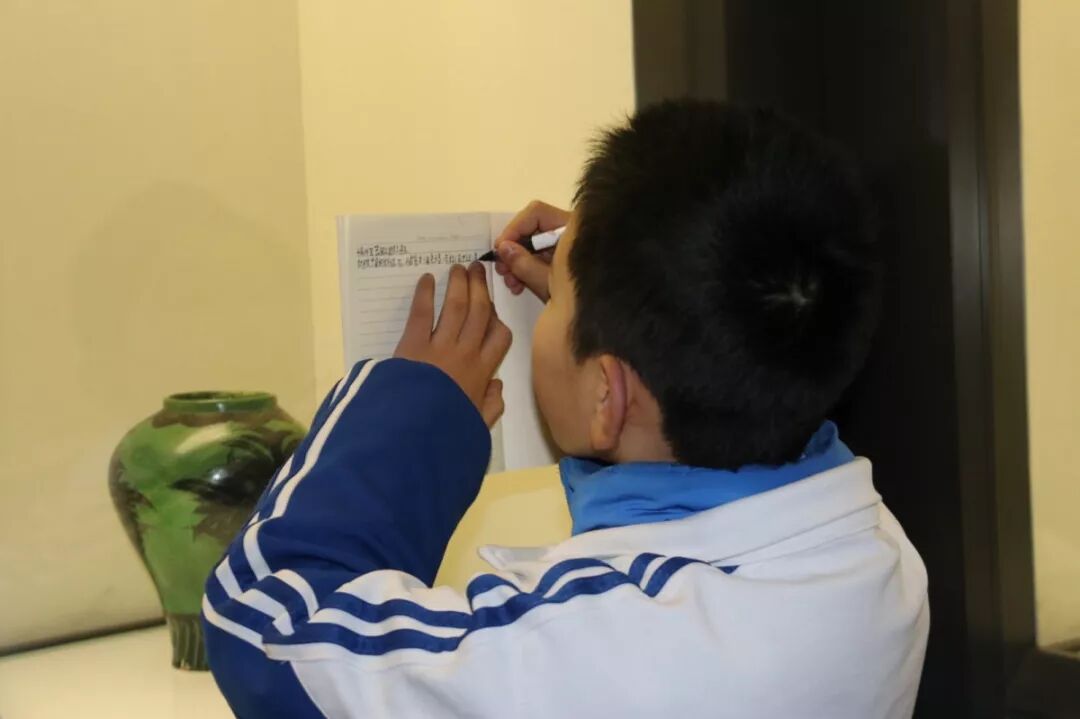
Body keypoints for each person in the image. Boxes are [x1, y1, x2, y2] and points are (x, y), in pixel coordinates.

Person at [202, 99, 928, 718]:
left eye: (557, 307)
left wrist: (413, 410)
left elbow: (264, 626)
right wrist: (626, 308)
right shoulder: (879, 558)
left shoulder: (589, 649)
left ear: (609, 395)